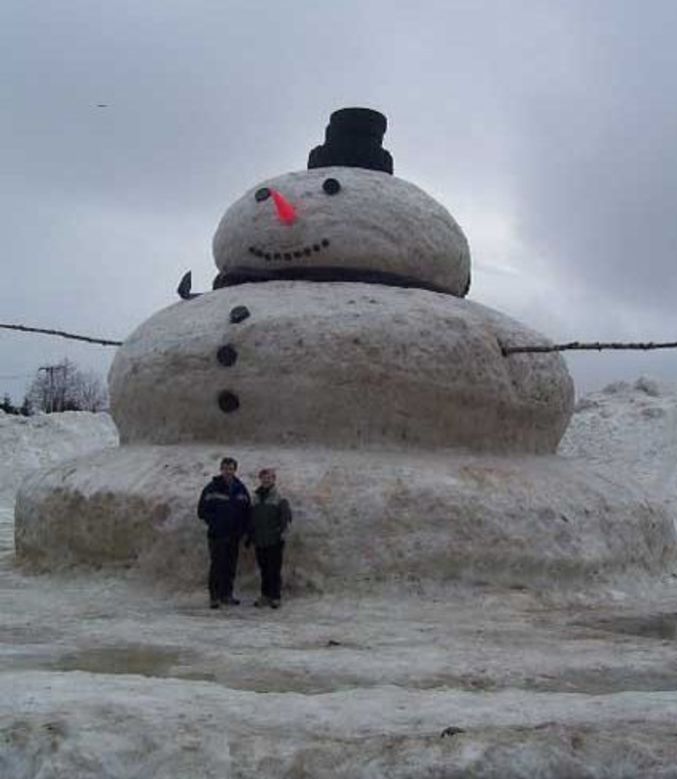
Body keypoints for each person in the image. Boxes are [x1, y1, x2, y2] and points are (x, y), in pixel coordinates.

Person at [197, 456, 251, 609]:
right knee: (217, 566)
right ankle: (214, 597)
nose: (228, 471)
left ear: (235, 470)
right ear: (221, 470)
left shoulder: (241, 489)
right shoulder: (212, 488)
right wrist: (215, 523)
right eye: (226, 468)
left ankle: (227, 595)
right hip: (217, 535)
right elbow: (202, 511)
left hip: (234, 535)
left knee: (230, 566)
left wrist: (243, 531)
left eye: (231, 469)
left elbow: (247, 512)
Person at [247, 468, 292, 609]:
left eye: (269, 478)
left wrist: (281, 534)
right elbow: (251, 518)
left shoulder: (279, 497)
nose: (266, 480)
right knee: (264, 569)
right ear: (260, 479)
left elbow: (286, 518)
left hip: (274, 540)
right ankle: (265, 595)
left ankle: (275, 596)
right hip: (260, 540)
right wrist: (250, 535)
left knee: (274, 569)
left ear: (274, 479)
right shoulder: (254, 497)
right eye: (264, 478)